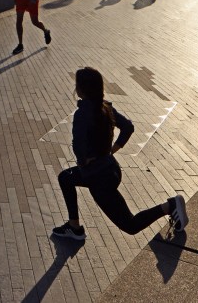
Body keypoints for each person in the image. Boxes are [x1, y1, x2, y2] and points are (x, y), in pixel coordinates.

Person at [51, 67, 188, 242]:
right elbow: (128, 127)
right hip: (111, 168)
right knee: (65, 177)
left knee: (130, 225)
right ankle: (74, 227)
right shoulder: (105, 107)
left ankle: (169, 206)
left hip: (98, 178)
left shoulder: (82, 114)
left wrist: (83, 161)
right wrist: (110, 151)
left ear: (82, 89)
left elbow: (78, 147)